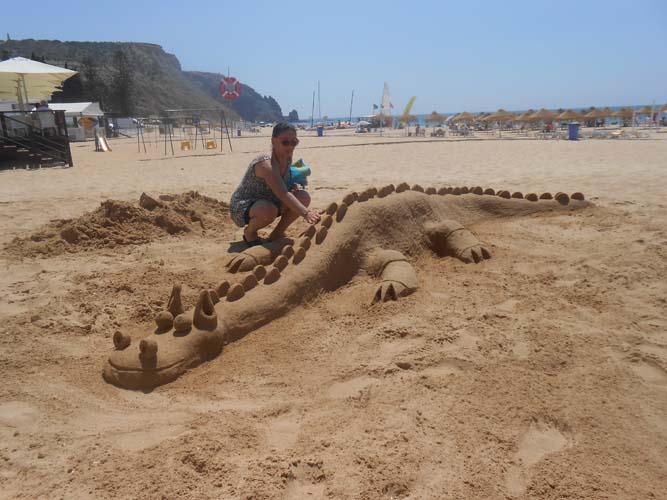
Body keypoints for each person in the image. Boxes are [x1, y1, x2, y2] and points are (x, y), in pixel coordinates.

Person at [230, 122, 320, 246]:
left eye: (294, 142)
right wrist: (306, 213)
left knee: (303, 197)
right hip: (244, 205)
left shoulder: (286, 157)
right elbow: (283, 194)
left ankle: (277, 233)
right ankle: (249, 233)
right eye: (285, 142)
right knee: (269, 210)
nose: (290, 146)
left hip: (271, 200)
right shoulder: (266, 164)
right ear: (273, 141)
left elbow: (282, 184)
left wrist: (291, 185)